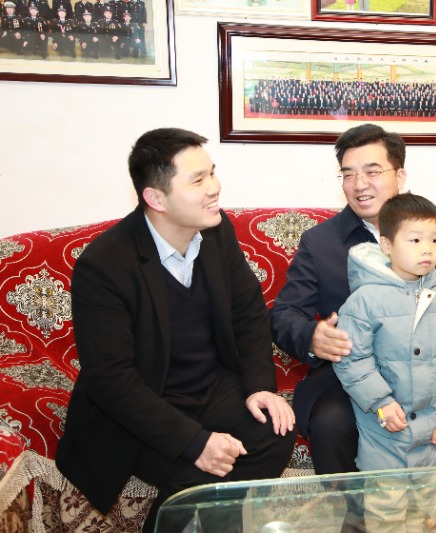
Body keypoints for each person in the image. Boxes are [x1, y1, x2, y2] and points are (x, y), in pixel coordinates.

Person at [55, 128, 297, 533]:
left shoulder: (217, 232)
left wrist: (259, 386)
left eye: (212, 173)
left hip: (208, 387)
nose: (215, 187)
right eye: (198, 180)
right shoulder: (104, 264)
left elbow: (249, 313)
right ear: (156, 198)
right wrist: (195, 443)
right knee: (199, 469)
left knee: (274, 430)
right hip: (141, 405)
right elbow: (111, 379)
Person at [271, 123, 436, 478]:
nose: (359, 184)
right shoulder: (320, 242)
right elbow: (284, 315)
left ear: (399, 175)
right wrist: (312, 336)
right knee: (331, 424)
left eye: (372, 171)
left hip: (430, 366)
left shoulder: (435, 232)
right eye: (348, 174)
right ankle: (352, 511)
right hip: (353, 372)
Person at [334, 193, 436, 531]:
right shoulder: (364, 300)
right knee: (387, 511)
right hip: (384, 431)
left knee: (425, 510)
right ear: (386, 245)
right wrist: (380, 402)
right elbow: (351, 359)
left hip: (429, 433)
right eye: (415, 240)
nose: (427, 250)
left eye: (435, 240)